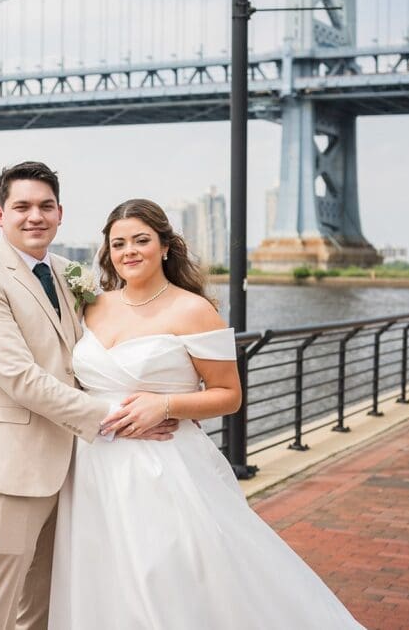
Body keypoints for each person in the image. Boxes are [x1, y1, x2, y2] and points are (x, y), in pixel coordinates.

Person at [48, 198, 366, 629]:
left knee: (167, 576)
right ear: (107, 252)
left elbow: (228, 395)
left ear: (165, 246)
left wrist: (165, 404)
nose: (129, 252)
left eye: (141, 240)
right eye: (118, 243)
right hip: (93, 466)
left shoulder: (194, 309)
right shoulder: (92, 306)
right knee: (102, 577)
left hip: (163, 466)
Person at [0, 163, 177, 630]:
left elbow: (101, 343)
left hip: (72, 465)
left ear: (59, 214)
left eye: (45, 206)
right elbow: (20, 378)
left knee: (44, 602)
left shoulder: (67, 272)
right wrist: (117, 417)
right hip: (9, 467)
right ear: (0, 214)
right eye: (22, 207)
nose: (35, 216)